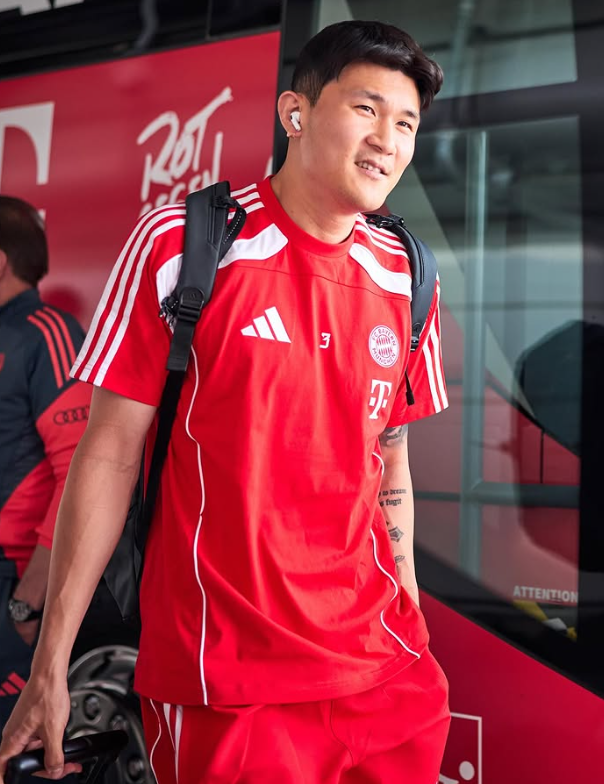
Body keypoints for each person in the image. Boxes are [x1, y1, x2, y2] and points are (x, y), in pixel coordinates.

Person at [0, 20, 450, 784]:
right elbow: (107, 454)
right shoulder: (183, 244)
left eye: (406, 123)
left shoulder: (408, 271)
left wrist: (409, 610)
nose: (388, 140)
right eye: (367, 109)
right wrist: (51, 662)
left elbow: (391, 457)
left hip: (385, 673)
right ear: (295, 112)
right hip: (228, 677)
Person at [0, 197, 91, 735]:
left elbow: (81, 466)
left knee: (19, 755)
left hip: (14, 582)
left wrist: (31, 596)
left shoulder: (46, 331)